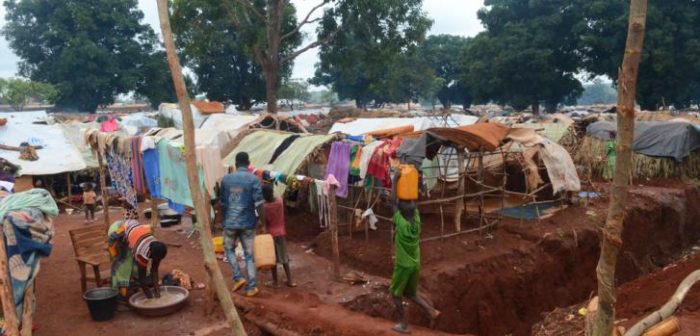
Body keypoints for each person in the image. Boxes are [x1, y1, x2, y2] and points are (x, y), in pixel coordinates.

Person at [389, 173, 440, 334]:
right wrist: (414, 181)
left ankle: (404, 325)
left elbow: (393, 202)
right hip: (415, 264)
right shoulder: (416, 221)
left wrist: (395, 180)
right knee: (411, 293)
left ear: (401, 212)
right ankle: (431, 311)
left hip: (403, 266)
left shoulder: (401, 223)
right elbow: (411, 202)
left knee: (395, 294)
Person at [219, 152, 264, 297]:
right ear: (248, 163)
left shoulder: (226, 180)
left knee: (228, 249)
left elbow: (222, 203)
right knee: (249, 256)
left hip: (230, 222)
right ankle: (251, 287)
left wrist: (223, 220)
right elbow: (259, 203)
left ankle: (238, 278)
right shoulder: (254, 179)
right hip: (248, 223)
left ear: (236, 164)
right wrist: (262, 221)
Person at [108, 207, 168, 303]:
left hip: (136, 228)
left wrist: (157, 292)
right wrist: (152, 301)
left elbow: (155, 270)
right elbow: (142, 279)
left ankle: (135, 282)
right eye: (157, 258)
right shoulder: (142, 254)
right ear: (151, 254)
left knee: (149, 278)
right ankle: (120, 291)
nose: (158, 260)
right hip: (122, 232)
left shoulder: (157, 247)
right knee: (124, 261)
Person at [261, 184, 296, 288]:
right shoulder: (280, 202)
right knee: (284, 257)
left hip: (271, 234)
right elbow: (279, 196)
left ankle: (275, 282)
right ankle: (290, 280)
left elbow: (264, 223)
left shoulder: (264, 207)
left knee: (273, 259)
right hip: (281, 232)